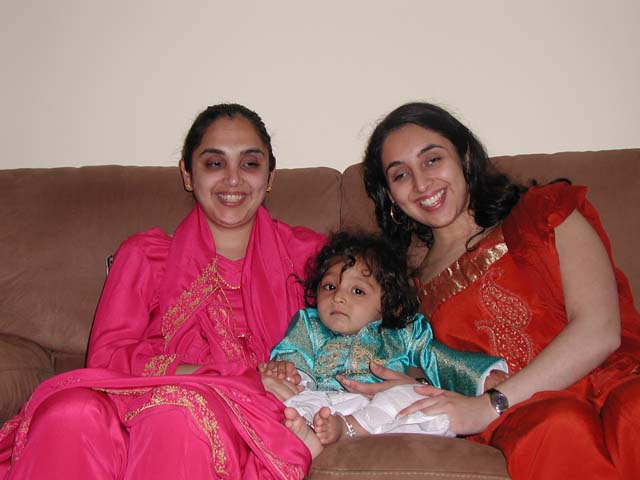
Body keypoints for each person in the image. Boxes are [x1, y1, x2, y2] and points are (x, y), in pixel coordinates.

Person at [0, 103, 326, 479]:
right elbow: (107, 359)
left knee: (178, 413)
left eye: (250, 164)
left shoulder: (309, 257)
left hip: (230, 418)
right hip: (135, 400)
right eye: (215, 163)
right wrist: (236, 377)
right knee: (70, 412)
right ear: (188, 174)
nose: (233, 179)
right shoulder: (146, 255)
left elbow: (355, 335)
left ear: (270, 177)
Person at [344, 102, 640, 479]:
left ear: (466, 158)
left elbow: (600, 329)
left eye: (432, 160)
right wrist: (415, 385)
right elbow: (430, 364)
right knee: (557, 427)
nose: (421, 184)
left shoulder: (543, 211)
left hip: (611, 380)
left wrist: (490, 404)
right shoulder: (406, 288)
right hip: (528, 417)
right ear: (390, 195)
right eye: (401, 174)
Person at [267, 231, 506, 445]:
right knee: (286, 396)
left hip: (377, 407)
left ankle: (348, 428)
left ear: (386, 303)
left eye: (357, 291)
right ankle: (311, 432)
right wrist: (287, 372)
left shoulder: (403, 332)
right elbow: (294, 354)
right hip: (325, 403)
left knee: (414, 396)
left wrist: (481, 378)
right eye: (329, 286)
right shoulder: (310, 324)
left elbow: (436, 358)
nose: (338, 297)